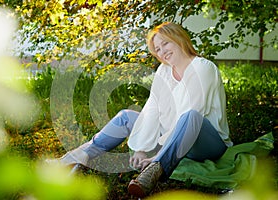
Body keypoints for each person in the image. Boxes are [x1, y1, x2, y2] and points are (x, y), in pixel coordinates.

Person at [48, 21, 233, 198]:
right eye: (157, 50)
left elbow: (194, 110)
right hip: (170, 136)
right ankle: (75, 158)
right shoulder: (164, 71)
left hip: (205, 143)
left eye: (165, 44)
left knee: (191, 115)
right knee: (126, 117)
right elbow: (152, 108)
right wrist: (141, 148)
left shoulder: (202, 68)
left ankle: (155, 168)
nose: (162, 52)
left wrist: (156, 151)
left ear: (179, 39)